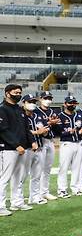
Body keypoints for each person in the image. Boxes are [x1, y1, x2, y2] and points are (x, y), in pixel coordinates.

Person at [0, 85, 34, 215]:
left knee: (18, 177)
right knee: (4, 178)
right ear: (7, 93)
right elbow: (3, 130)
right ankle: (1, 206)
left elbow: (26, 128)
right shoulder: (2, 109)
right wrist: (15, 145)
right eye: (16, 92)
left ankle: (17, 202)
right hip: (8, 149)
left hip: (22, 149)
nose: (18, 95)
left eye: (20, 92)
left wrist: (31, 142)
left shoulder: (19, 109)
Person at [15, 94, 48, 206]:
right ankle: (18, 200)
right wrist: (36, 132)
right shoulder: (20, 116)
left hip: (39, 147)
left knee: (37, 175)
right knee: (21, 176)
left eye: (34, 101)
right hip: (26, 149)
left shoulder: (37, 116)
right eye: (29, 101)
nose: (32, 103)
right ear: (23, 102)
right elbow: (20, 132)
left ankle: (34, 197)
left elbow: (42, 130)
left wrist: (44, 131)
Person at [52, 96, 82, 198]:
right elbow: (57, 132)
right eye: (70, 103)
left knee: (77, 167)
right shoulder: (60, 116)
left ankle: (75, 188)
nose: (72, 105)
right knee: (64, 167)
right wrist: (67, 132)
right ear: (65, 104)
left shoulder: (79, 115)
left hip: (79, 143)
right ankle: (62, 189)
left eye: (74, 103)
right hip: (67, 144)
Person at [35, 91, 59, 201]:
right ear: (40, 99)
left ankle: (44, 192)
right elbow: (36, 127)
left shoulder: (52, 111)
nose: (48, 100)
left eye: (49, 98)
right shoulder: (35, 111)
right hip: (40, 141)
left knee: (47, 168)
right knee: (38, 168)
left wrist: (54, 124)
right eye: (45, 98)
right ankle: (36, 193)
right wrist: (49, 123)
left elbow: (57, 129)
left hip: (50, 140)